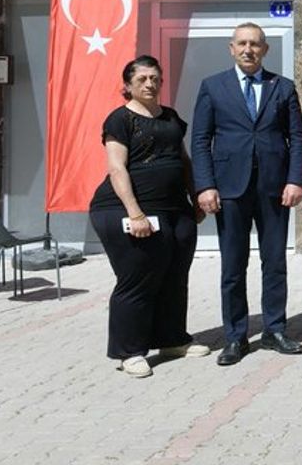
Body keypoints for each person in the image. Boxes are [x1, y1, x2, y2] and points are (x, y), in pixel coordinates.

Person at [192, 23, 302, 366]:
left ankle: (275, 330)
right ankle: (235, 336)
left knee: (275, 263)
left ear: (265, 50)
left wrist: (295, 180)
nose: (248, 50)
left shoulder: (282, 87)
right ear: (231, 48)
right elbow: (200, 139)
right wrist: (205, 185)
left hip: (274, 188)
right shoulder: (213, 86)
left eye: (255, 44)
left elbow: (297, 137)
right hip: (230, 188)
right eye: (242, 43)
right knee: (233, 265)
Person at [89, 56, 208, 378]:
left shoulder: (170, 117)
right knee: (138, 278)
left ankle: (172, 340)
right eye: (141, 79)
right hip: (126, 209)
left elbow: (183, 161)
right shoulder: (120, 119)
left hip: (175, 209)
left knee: (174, 276)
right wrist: (135, 213)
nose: (149, 84)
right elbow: (117, 168)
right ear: (127, 86)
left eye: (155, 78)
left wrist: (195, 197)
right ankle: (129, 351)